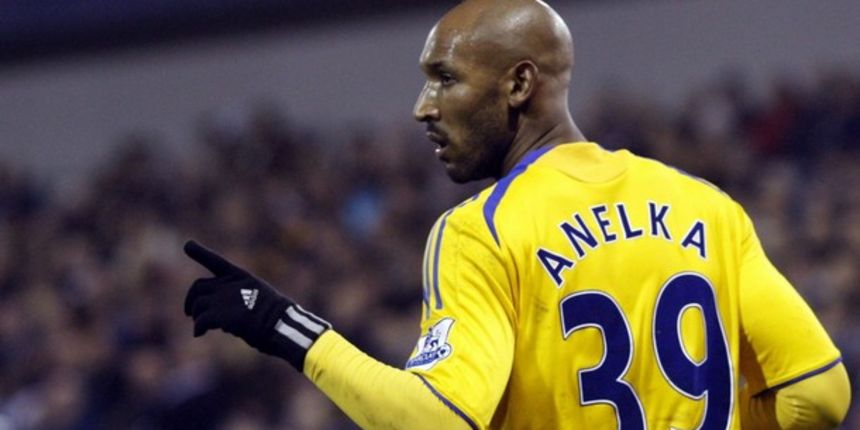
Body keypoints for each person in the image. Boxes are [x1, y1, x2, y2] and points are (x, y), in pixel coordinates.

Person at [182, 0, 851, 428]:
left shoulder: (482, 230)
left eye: (445, 78)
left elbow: (437, 420)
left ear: (519, 83)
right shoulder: (707, 208)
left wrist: (283, 327)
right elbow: (820, 394)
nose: (423, 105)